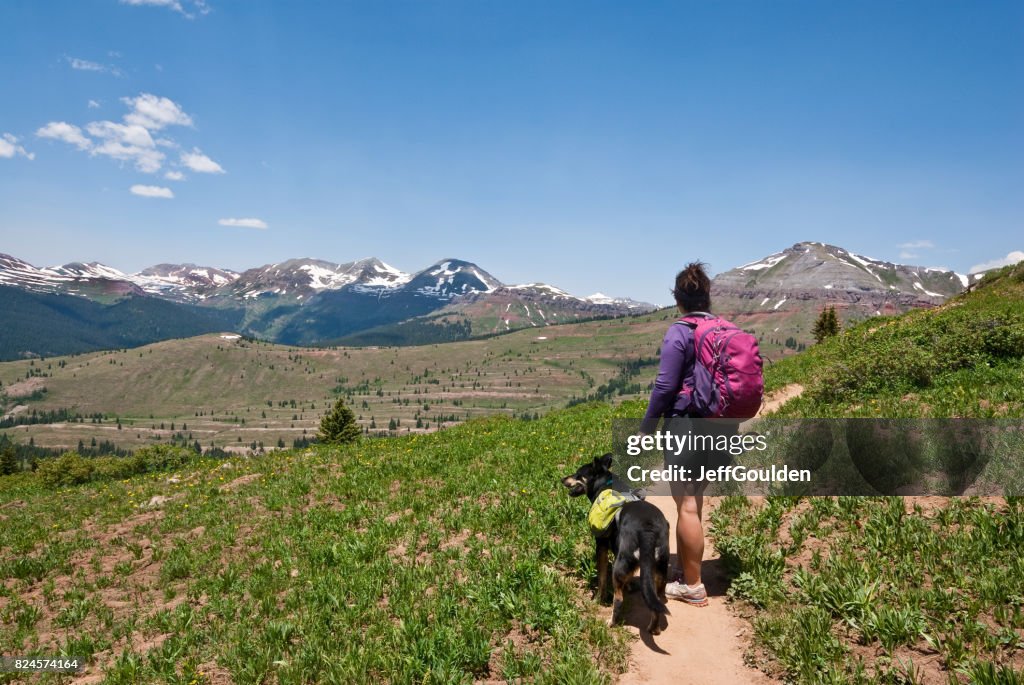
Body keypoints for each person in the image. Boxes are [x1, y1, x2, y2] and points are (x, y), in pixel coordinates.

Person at [638, 261, 733, 607]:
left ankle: (692, 585)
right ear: (707, 297)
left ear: (678, 299)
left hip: (686, 423)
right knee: (697, 499)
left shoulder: (680, 330)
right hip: (722, 424)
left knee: (687, 504)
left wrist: (648, 425)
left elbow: (665, 385)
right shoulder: (724, 328)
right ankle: (688, 569)